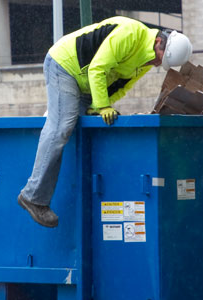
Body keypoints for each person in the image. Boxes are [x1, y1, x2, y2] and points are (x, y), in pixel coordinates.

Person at [18, 16, 192, 228]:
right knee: (62, 126)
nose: (157, 63)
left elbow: (122, 86)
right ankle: (33, 196)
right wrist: (102, 106)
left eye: (161, 64)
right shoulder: (130, 33)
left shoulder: (147, 59)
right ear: (158, 42)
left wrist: (101, 104)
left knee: (79, 129)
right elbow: (98, 68)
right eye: (160, 58)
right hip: (65, 65)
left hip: (86, 82)